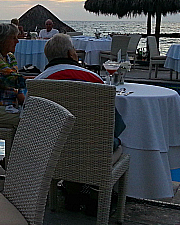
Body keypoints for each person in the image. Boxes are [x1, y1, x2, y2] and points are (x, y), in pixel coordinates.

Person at [35, 34, 126, 212]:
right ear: (71, 54)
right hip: (92, 154)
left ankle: (72, 188)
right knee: (117, 143)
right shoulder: (95, 81)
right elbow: (115, 126)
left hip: (52, 153)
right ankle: (95, 190)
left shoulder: (39, 82)